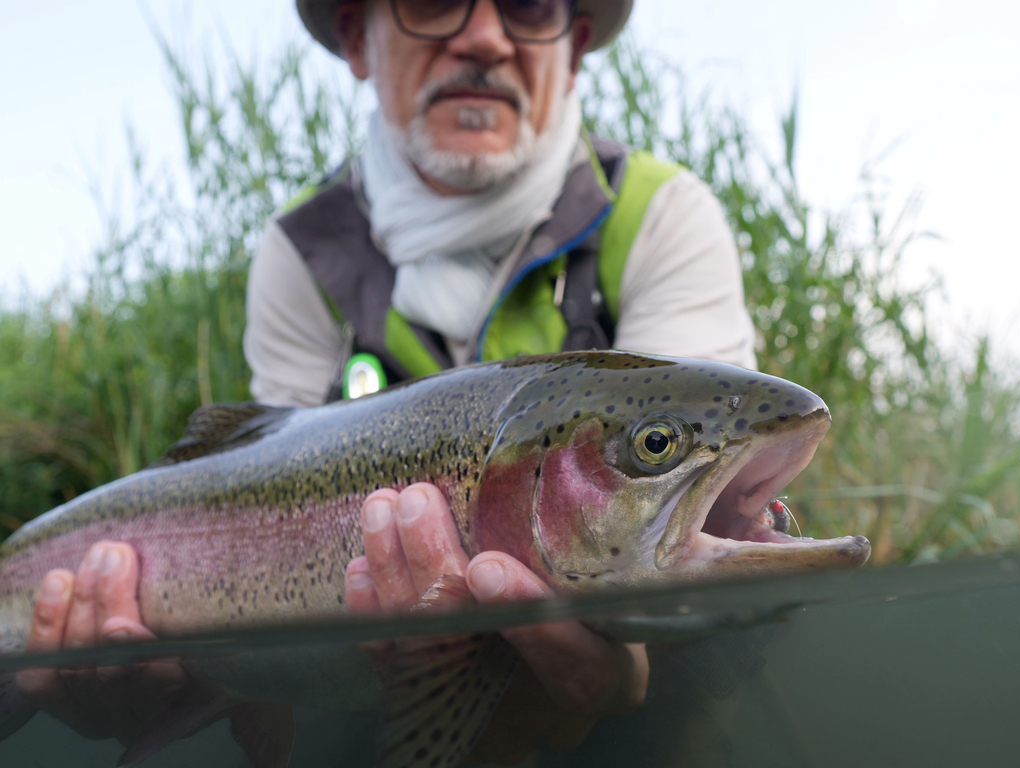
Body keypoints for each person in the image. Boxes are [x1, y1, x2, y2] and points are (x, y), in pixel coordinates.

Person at [17, 0, 757, 762]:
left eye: (529, 5)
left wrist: (616, 682)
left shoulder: (663, 216)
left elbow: (690, 552)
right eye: (433, 0)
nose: (483, 37)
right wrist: (218, 674)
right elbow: (260, 460)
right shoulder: (301, 252)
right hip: (364, 681)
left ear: (572, 48)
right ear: (355, 38)